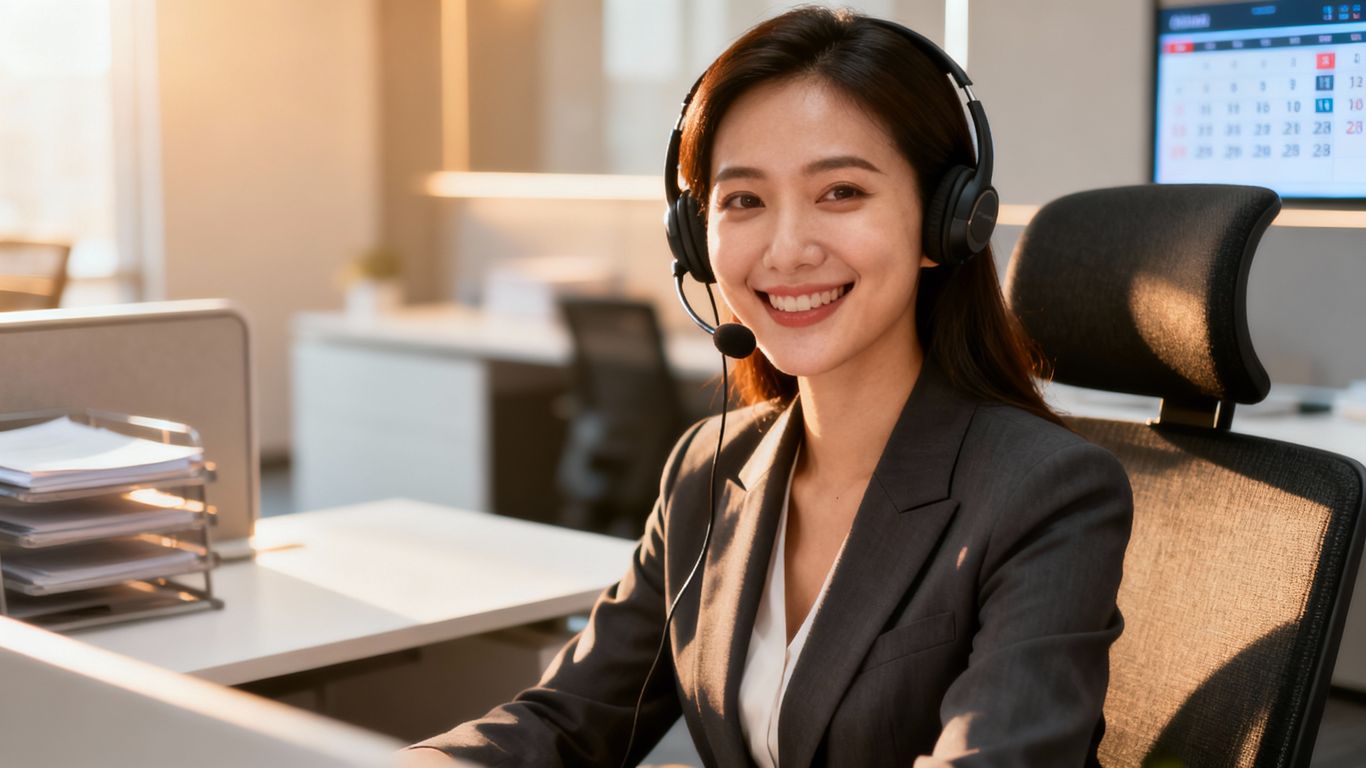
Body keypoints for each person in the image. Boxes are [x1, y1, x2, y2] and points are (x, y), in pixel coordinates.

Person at [405, 7, 1132, 767]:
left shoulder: (1046, 492)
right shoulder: (707, 470)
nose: (786, 252)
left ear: (946, 221)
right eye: (744, 200)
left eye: (841, 192)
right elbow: (568, 720)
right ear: (695, 236)